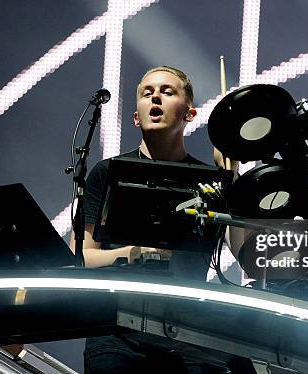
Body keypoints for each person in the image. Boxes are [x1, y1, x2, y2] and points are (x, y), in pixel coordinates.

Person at [74, 66, 220, 373]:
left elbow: (246, 257)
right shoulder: (107, 171)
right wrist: (129, 254)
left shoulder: (210, 181)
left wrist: (232, 173)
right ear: (136, 117)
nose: (155, 96)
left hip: (186, 339)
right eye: (147, 92)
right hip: (115, 336)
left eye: (168, 92)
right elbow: (79, 256)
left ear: (189, 115)